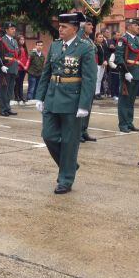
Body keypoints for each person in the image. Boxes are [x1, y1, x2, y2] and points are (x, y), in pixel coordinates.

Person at [35, 12, 96, 194]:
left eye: (64, 26)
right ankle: (69, 165)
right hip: (52, 97)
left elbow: (89, 79)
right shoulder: (55, 46)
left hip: (72, 100)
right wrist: (40, 96)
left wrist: (84, 105)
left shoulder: (85, 48)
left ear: (75, 28)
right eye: (59, 26)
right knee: (48, 135)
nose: (60, 29)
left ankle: (65, 179)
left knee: (69, 142)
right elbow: (46, 73)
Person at [115, 18, 139, 133]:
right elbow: (119, 57)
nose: (138, 27)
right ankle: (123, 124)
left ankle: (129, 122)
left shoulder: (137, 39)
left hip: (137, 72)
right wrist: (125, 72)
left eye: (138, 25)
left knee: (131, 100)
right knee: (124, 100)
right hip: (128, 72)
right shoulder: (123, 39)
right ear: (129, 26)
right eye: (135, 25)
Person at [0, 22, 19, 116]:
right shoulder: (1, 41)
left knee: (10, 90)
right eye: (12, 29)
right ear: (6, 30)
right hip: (5, 68)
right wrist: (1, 65)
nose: (14, 30)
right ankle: (3, 109)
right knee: (4, 90)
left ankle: (8, 108)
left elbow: (16, 55)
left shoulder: (14, 41)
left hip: (13, 68)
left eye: (14, 29)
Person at [13, 35, 30, 104]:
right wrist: (23, 65)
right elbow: (16, 59)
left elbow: (27, 58)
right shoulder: (16, 48)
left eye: (23, 39)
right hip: (18, 68)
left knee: (21, 83)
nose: (22, 41)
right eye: (21, 39)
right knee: (17, 83)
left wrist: (26, 66)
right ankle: (16, 96)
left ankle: (21, 96)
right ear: (18, 40)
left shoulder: (24, 48)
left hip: (23, 69)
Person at [93, 33, 106, 98]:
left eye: (102, 37)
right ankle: (95, 93)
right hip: (97, 64)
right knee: (96, 79)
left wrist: (105, 61)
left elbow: (105, 55)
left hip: (102, 65)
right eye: (100, 37)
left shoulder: (102, 45)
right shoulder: (95, 46)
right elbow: (96, 56)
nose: (101, 38)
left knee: (100, 79)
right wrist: (102, 62)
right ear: (96, 38)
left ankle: (98, 93)